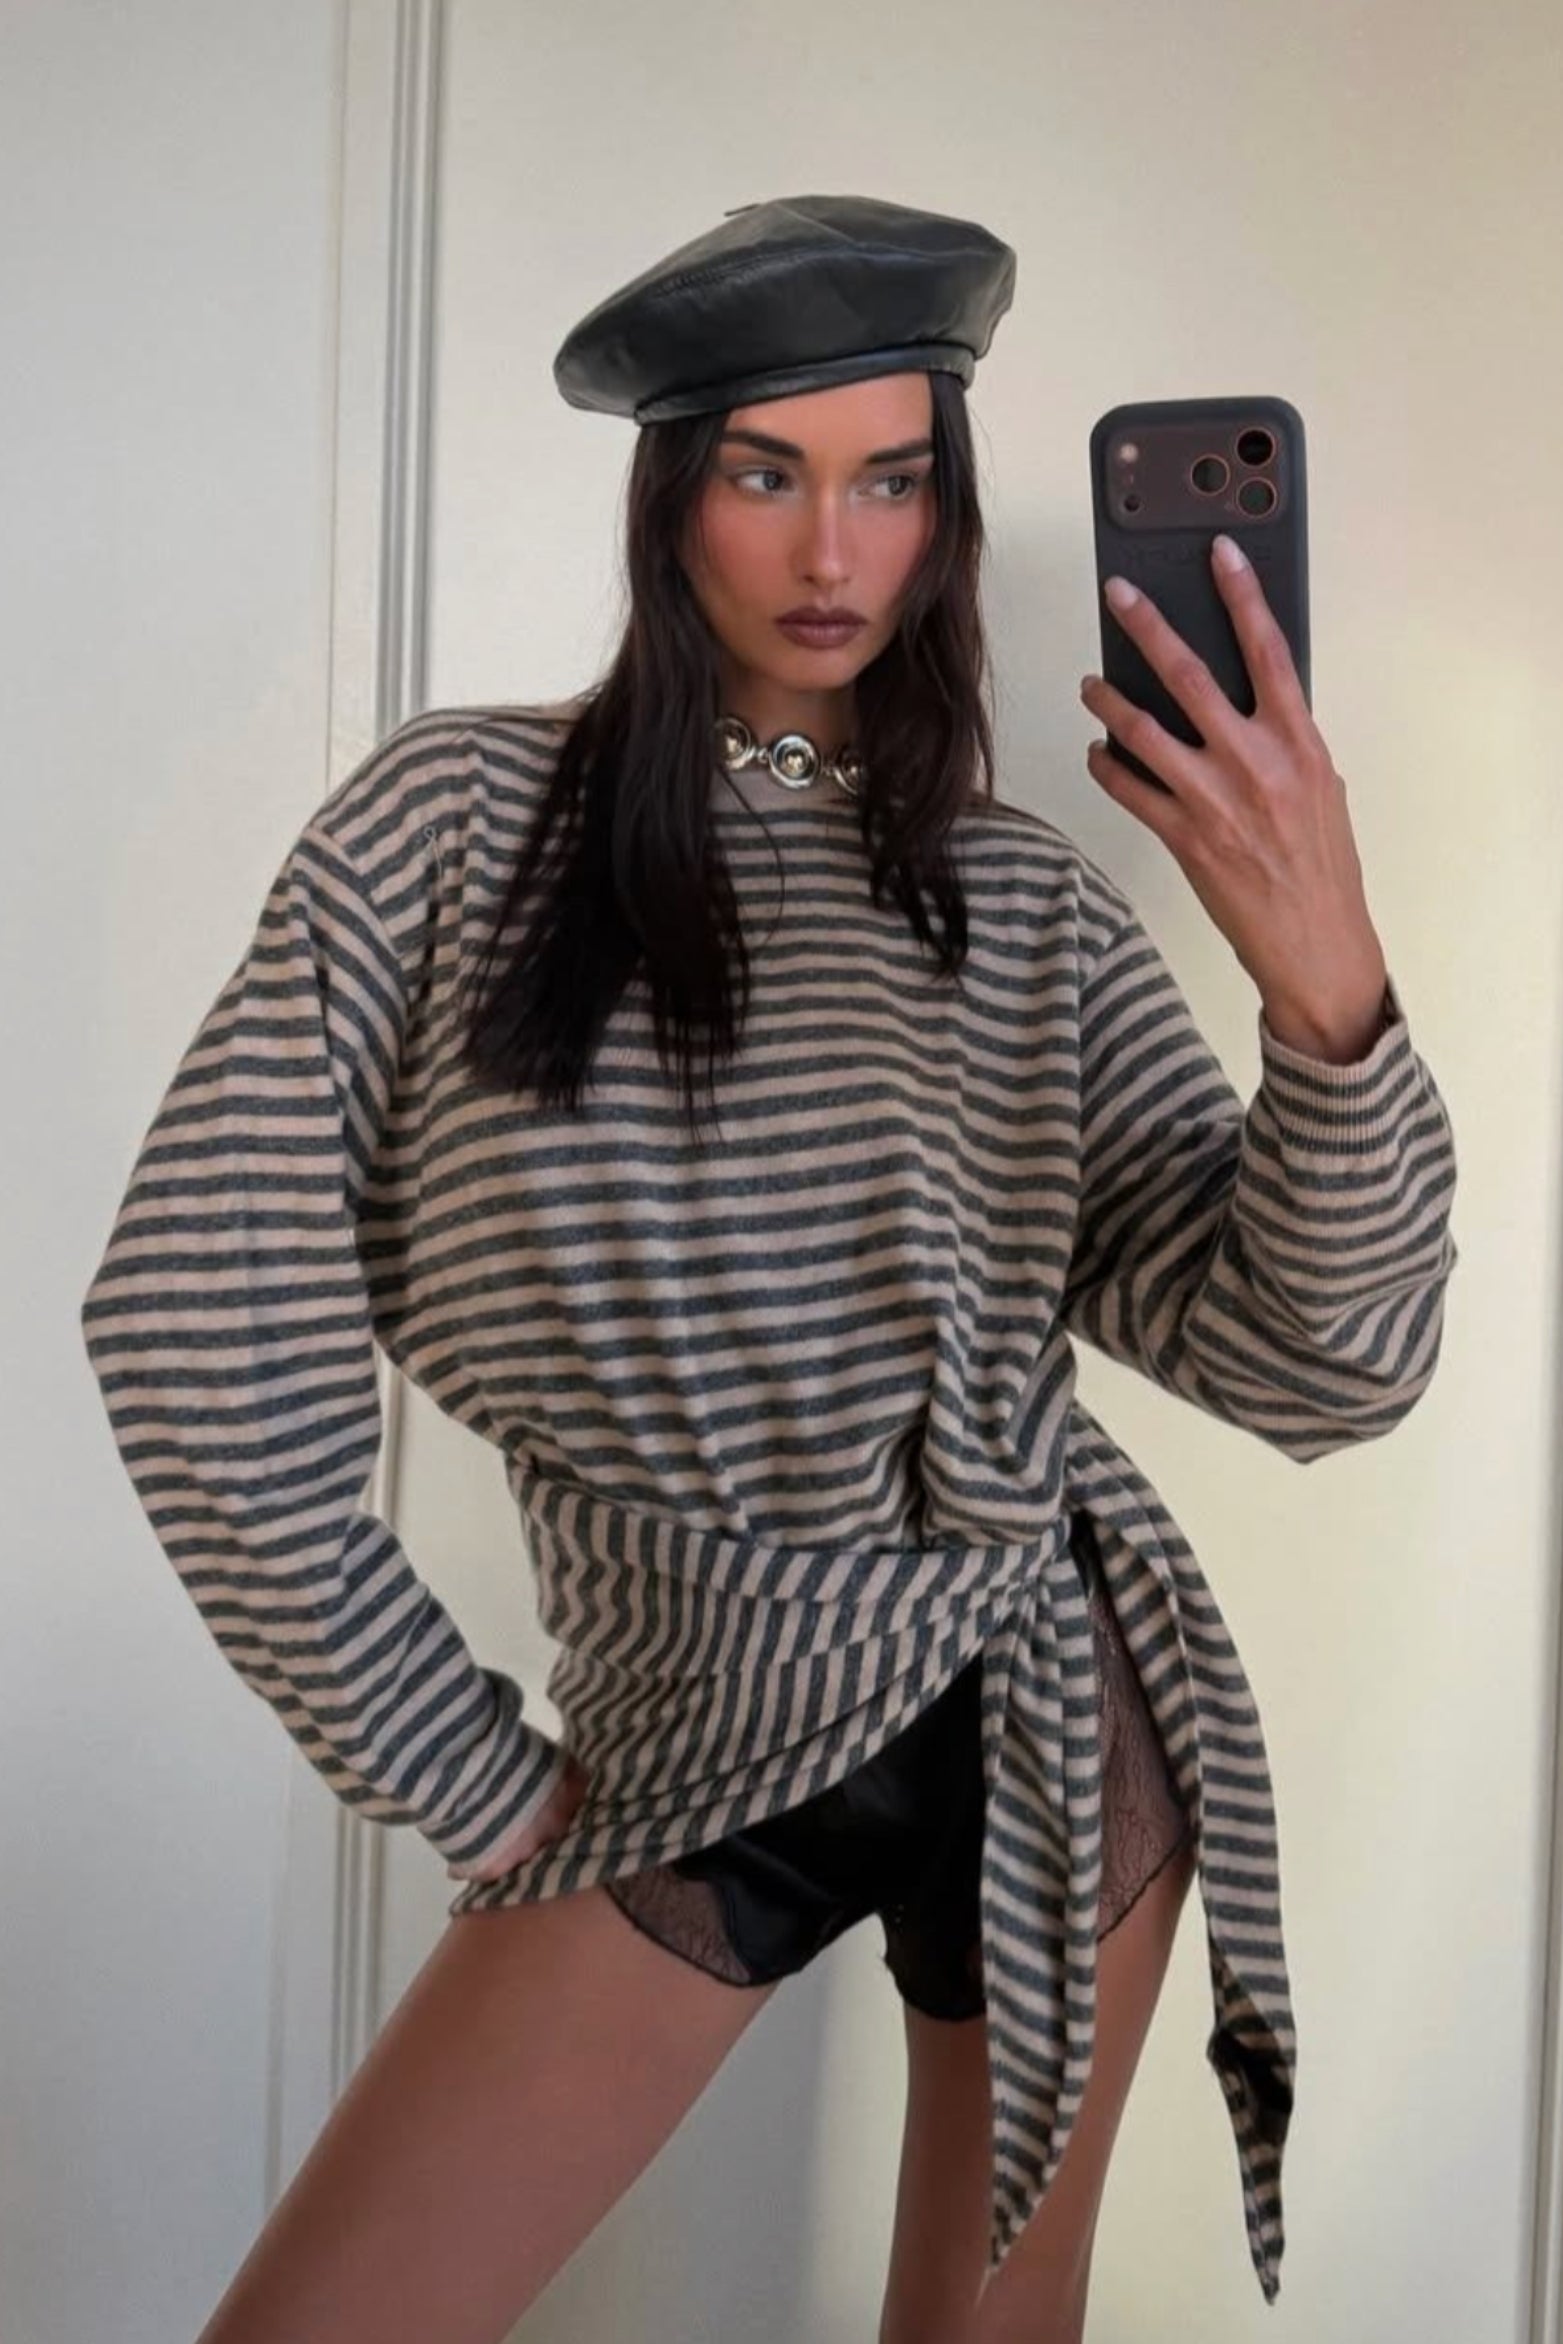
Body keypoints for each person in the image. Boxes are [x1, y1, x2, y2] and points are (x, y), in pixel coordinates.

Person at [79, 194, 1459, 2344]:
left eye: (891, 479)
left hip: (1048, 1703)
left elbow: (1324, 1366)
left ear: (946, 507)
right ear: (668, 495)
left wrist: (1327, 988)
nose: (834, 551)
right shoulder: (452, 825)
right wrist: (467, 1773)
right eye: (766, 472)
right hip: (686, 1730)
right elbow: (191, 1335)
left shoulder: (1021, 906)